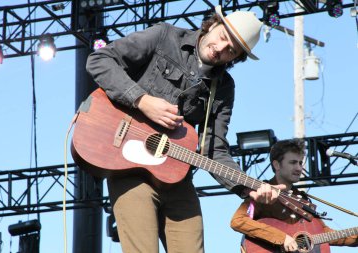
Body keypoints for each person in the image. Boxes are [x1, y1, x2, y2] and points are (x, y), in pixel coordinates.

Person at [86, 5, 284, 253]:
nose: (221, 49)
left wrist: (250, 186)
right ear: (213, 24)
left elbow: (214, 150)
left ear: (235, 58)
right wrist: (142, 101)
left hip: (177, 178)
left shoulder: (223, 88)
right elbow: (100, 59)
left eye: (231, 51)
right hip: (130, 169)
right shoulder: (164, 36)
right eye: (223, 37)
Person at [231, 139, 358, 253]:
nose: (299, 168)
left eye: (300, 162)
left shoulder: (302, 199)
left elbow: (323, 233)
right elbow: (238, 221)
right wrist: (282, 238)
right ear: (277, 165)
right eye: (293, 162)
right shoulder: (264, 192)